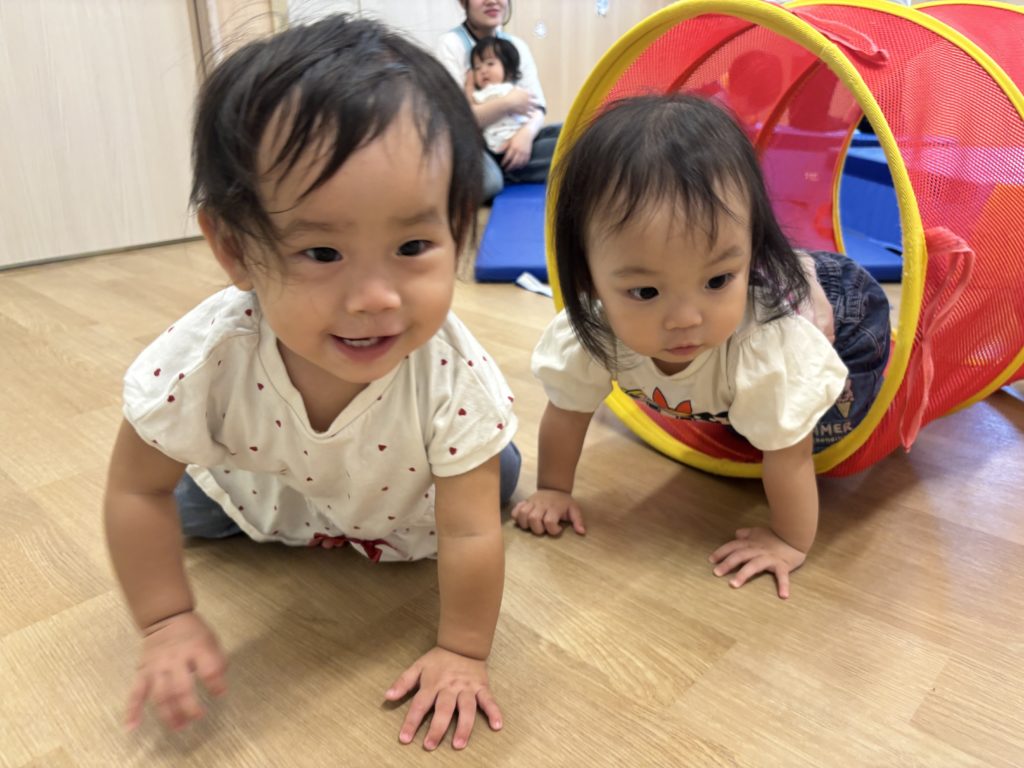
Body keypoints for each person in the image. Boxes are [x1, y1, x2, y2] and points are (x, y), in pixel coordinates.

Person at [103, 14, 521, 751]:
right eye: (323, 252)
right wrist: (166, 620)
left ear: (459, 228)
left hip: (407, 501)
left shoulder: (450, 373)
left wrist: (462, 651)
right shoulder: (208, 357)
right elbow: (135, 490)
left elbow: (466, 531)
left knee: (493, 479)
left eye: (413, 245)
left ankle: (478, 465)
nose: (375, 298)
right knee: (187, 509)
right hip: (266, 489)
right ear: (235, 250)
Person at [510, 94, 890, 599]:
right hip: (755, 282)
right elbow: (566, 412)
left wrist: (788, 540)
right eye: (646, 291)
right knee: (750, 411)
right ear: (589, 280)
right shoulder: (595, 331)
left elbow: (791, 455)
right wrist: (553, 489)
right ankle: (759, 272)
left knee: (808, 426)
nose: (686, 319)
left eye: (716, 280)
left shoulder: (767, 345)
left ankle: (797, 273)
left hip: (845, 318)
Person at [436, 0, 560, 199]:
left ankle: (518, 162)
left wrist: (525, 136)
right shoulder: (450, 44)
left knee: (573, 132)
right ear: (463, 3)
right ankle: (511, 167)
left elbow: (537, 107)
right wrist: (508, 103)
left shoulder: (517, 46)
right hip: (476, 145)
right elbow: (459, 121)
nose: (492, 1)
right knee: (490, 182)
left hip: (516, 132)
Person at [471, 37, 530, 156]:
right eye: (477, 68)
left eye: (490, 64)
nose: (483, 70)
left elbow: (533, 110)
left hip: (521, 137)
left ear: (508, 68)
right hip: (496, 146)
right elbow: (469, 112)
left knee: (557, 133)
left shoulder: (515, 90)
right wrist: (468, 85)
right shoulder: (482, 93)